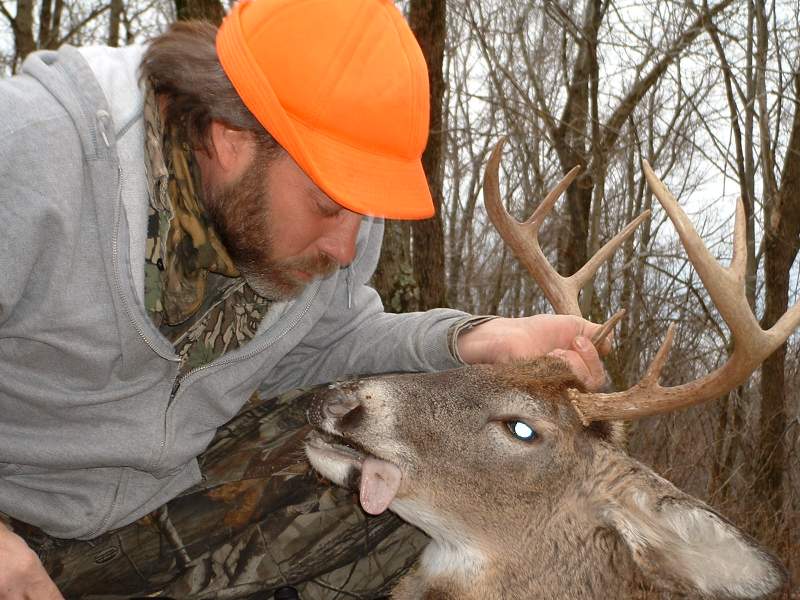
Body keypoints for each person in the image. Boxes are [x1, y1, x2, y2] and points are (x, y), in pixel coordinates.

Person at [0, 0, 610, 597]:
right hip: (15, 514)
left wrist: (471, 340)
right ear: (233, 138)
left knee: (433, 476)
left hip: (153, 507)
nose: (347, 247)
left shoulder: (329, 219)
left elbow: (324, 343)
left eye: (365, 211)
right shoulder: (33, 157)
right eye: (328, 205)